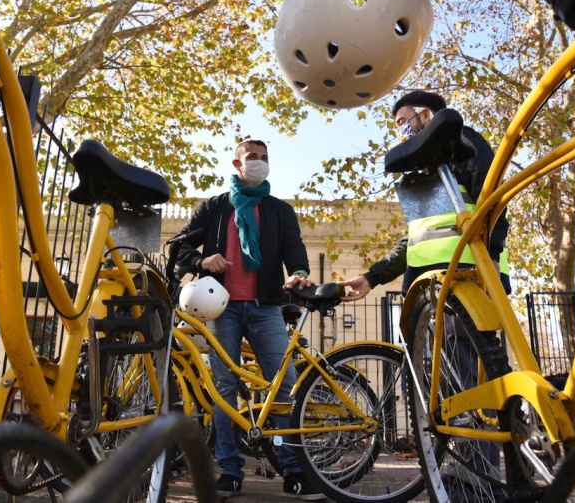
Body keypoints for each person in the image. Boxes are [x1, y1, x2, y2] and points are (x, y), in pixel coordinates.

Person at [338, 90, 510, 502]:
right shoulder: (423, 172)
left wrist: (486, 259)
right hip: (433, 289)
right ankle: (463, 475)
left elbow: (494, 203)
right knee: (452, 390)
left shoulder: (463, 144)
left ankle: (475, 482)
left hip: (468, 283)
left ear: (426, 115)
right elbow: (416, 240)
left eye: (402, 122)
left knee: (469, 386)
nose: (400, 131)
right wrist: (372, 277)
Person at [174, 139, 326, 502]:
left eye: (264, 158)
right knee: (224, 390)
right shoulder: (214, 207)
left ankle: (293, 469)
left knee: (285, 389)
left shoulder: (279, 210)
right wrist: (201, 261)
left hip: (266, 307)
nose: (259, 163)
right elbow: (180, 245)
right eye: (252, 158)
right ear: (237, 163)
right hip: (221, 310)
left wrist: (300, 272)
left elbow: (294, 249)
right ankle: (229, 471)